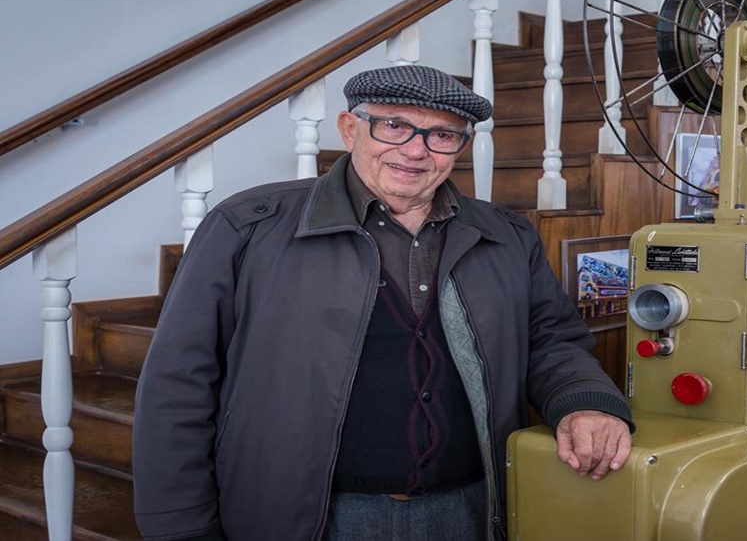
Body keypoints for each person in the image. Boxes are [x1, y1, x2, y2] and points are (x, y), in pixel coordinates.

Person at [132, 65, 634, 541]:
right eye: (394, 126)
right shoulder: (248, 226)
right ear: (350, 129)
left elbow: (551, 341)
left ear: (460, 146)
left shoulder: (506, 235)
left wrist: (586, 402)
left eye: (442, 135)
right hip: (310, 516)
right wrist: (180, 524)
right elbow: (180, 382)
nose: (416, 151)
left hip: (469, 509)